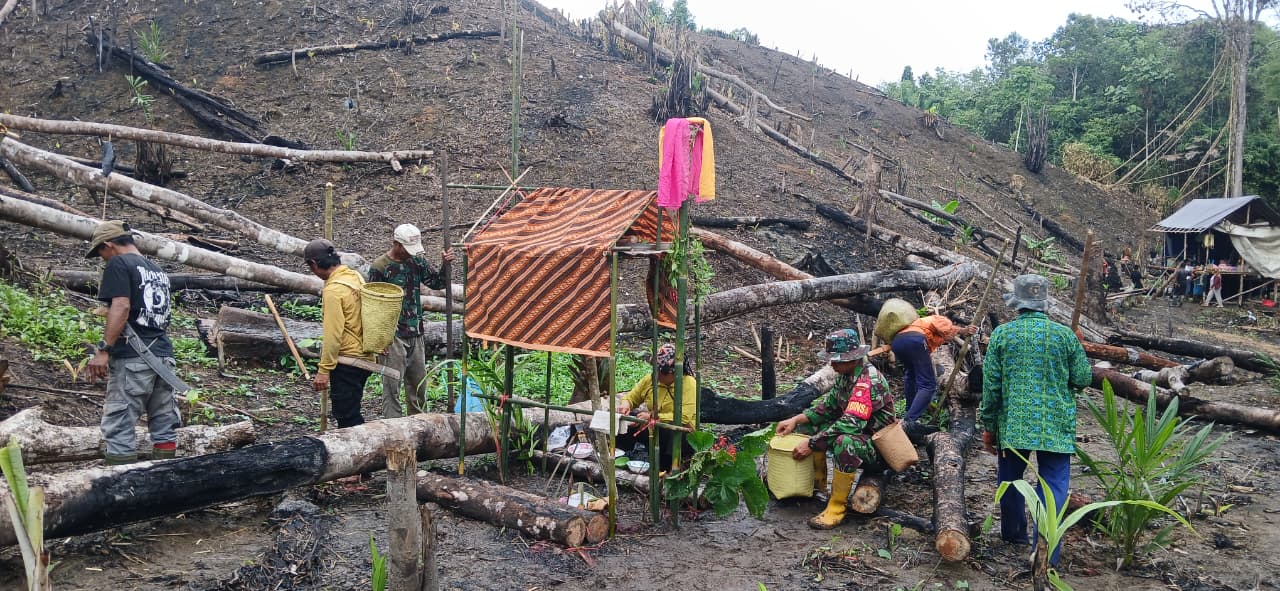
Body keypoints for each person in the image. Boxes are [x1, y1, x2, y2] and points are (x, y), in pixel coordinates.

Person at [980, 274, 1092, 567]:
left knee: (1011, 480)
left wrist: (988, 426)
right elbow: (1082, 379)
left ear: (1017, 303)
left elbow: (991, 387)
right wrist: (1077, 347)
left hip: (1014, 424)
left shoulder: (1002, 335)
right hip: (1055, 424)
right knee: (1053, 486)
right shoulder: (1065, 336)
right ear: (1044, 303)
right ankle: (1046, 552)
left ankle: (1013, 534)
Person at [775, 329, 896, 529]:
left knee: (844, 442)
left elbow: (850, 423)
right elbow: (828, 408)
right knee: (809, 424)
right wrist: (796, 419)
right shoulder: (846, 376)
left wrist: (812, 443)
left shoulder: (868, 382)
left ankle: (837, 506)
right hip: (863, 439)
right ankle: (816, 483)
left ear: (854, 358)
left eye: (837, 360)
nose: (832, 364)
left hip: (880, 450)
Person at [83, 220, 181, 465]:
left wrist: (104, 349)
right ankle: (165, 482)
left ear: (110, 245)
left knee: (119, 425)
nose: (102, 259)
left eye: (100, 253)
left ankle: (123, 492)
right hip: (162, 358)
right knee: (163, 426)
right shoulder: (157, 270)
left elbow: (122, 305)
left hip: (133, 359)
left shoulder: (118, 263)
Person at [369, 224, 455, 417]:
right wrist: (378, 339)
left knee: (418, 386)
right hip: (393, 335)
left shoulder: (416, 261)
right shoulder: (380, 268)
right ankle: (394, 429)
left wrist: (445, 264)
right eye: (406, 249)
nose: (410, 253)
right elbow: (372, 305)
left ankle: (418, 427)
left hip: (415, 331)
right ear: (396, 244)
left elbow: (436, 282)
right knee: (392, 386)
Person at [305, 238, 373, 428]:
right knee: (351, 409)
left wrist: (324, 370)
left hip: (347, 361)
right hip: (365, 357)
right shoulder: (354, 277)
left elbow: (333, 334)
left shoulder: (334, 291)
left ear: (314, 264)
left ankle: (361, 453)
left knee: (347, 417)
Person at [615, 343, 697, 471]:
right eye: (656, 370)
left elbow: (684, 417)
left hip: (677, 431)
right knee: (623, 420)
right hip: (651, 428)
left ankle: (671, 467)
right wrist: (625, 405)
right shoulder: (650, 380)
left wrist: (653, 417)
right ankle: (624, 455)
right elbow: (632, 397)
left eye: (662, 372)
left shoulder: (689, 384)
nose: (657, 375)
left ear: (674, 373)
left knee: (674, 432)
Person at [890, 314, 977, 425]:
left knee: (911, 376)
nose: (950, 339)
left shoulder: (919, 324)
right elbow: (944, 328)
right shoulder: (942, 319)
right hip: (915, 341)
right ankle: (910, 421)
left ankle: (909, 411)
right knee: (928, 385)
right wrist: (962, 330)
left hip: (898, 343)